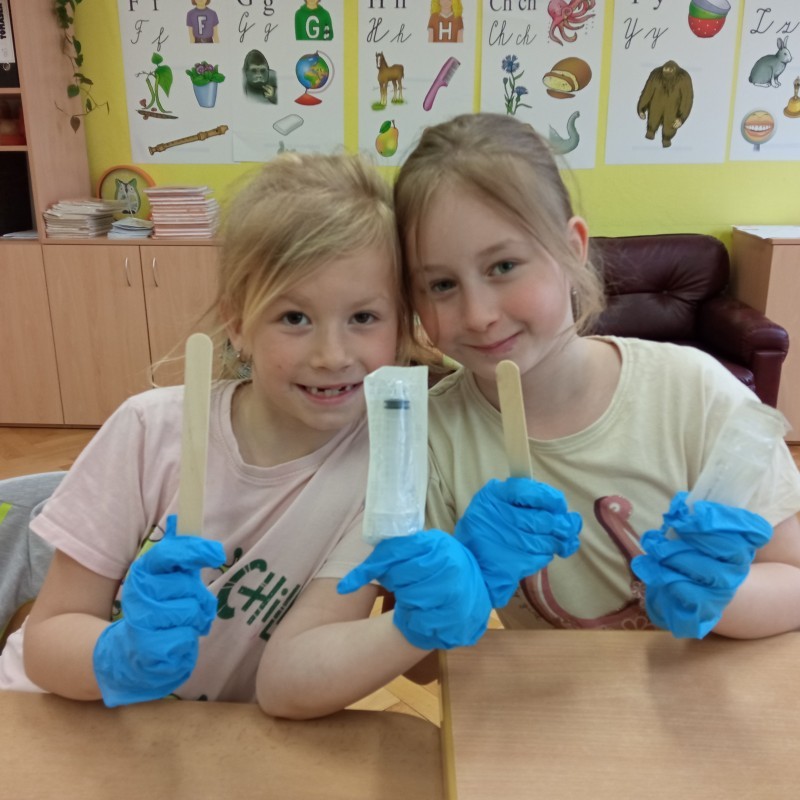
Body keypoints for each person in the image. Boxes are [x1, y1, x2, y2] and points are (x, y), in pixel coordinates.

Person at [0, 152, 491, 719]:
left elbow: (295, 675)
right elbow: (47, 642)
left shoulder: (382, 473)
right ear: (238, 323)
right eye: (294, 318)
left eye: (363, 318)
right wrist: (122, 653)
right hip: (48, 718)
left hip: (197, 741)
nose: (332, 355)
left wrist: (419, 623)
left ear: (402, 325)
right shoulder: (148, 432)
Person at [394, 112, 800, 641]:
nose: (478, 315)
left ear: (573, 249)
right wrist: (459, 590)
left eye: (503, 266)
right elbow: (424, 662)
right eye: (441, 285)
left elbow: (793, 575)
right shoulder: (430, 439)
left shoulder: (695, 394)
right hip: (549, 691)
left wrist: (724, 599)